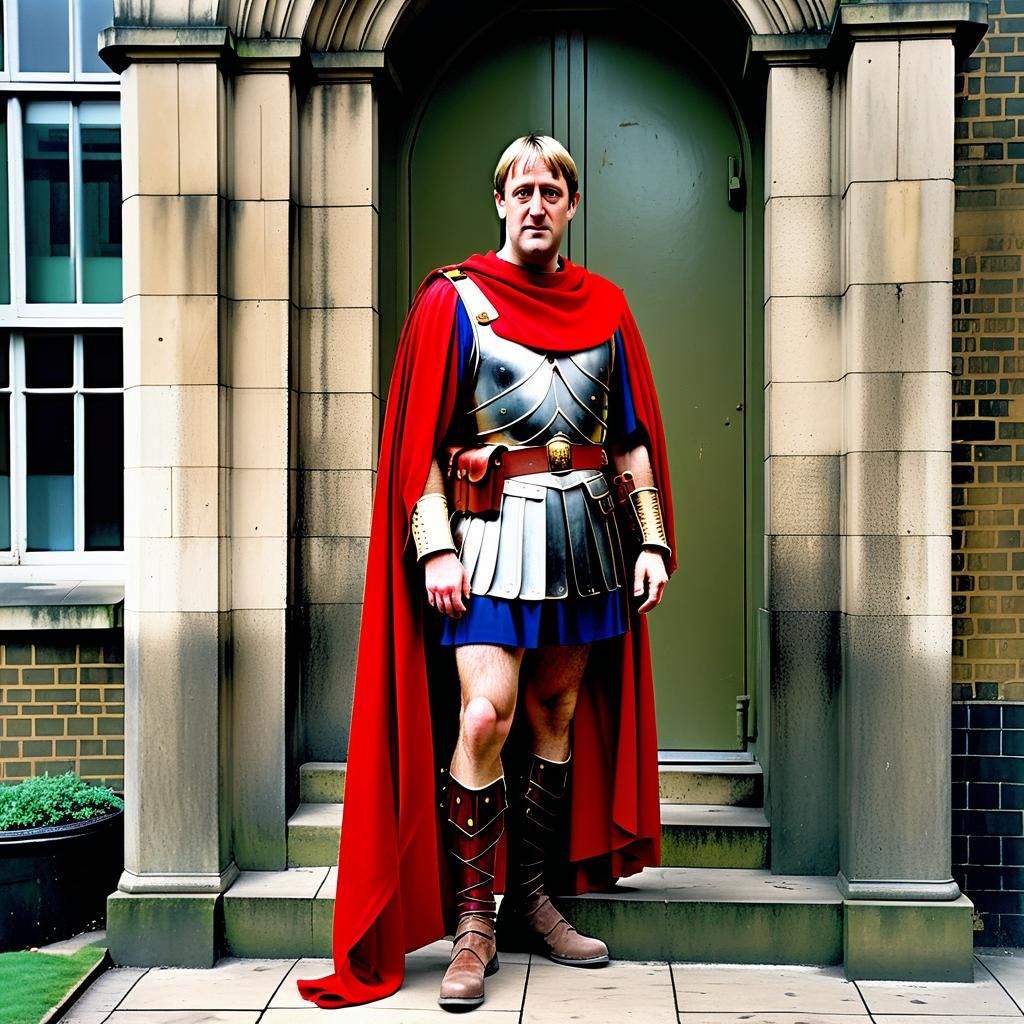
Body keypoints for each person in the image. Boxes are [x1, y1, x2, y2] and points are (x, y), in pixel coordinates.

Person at [297, 134, 676, 1012]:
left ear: (571, 206)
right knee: (484, 713)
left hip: (588, 543)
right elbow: (419, 448)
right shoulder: (452, 301)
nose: (537, 205)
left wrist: (652, 541)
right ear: (500, 203)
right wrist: (432, 545)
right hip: (487, 540)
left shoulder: (609, 309)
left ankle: (530, 901)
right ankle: (473, 925)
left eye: (552, 191)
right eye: (522, 191)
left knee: (555, 713)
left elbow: (629, 442)